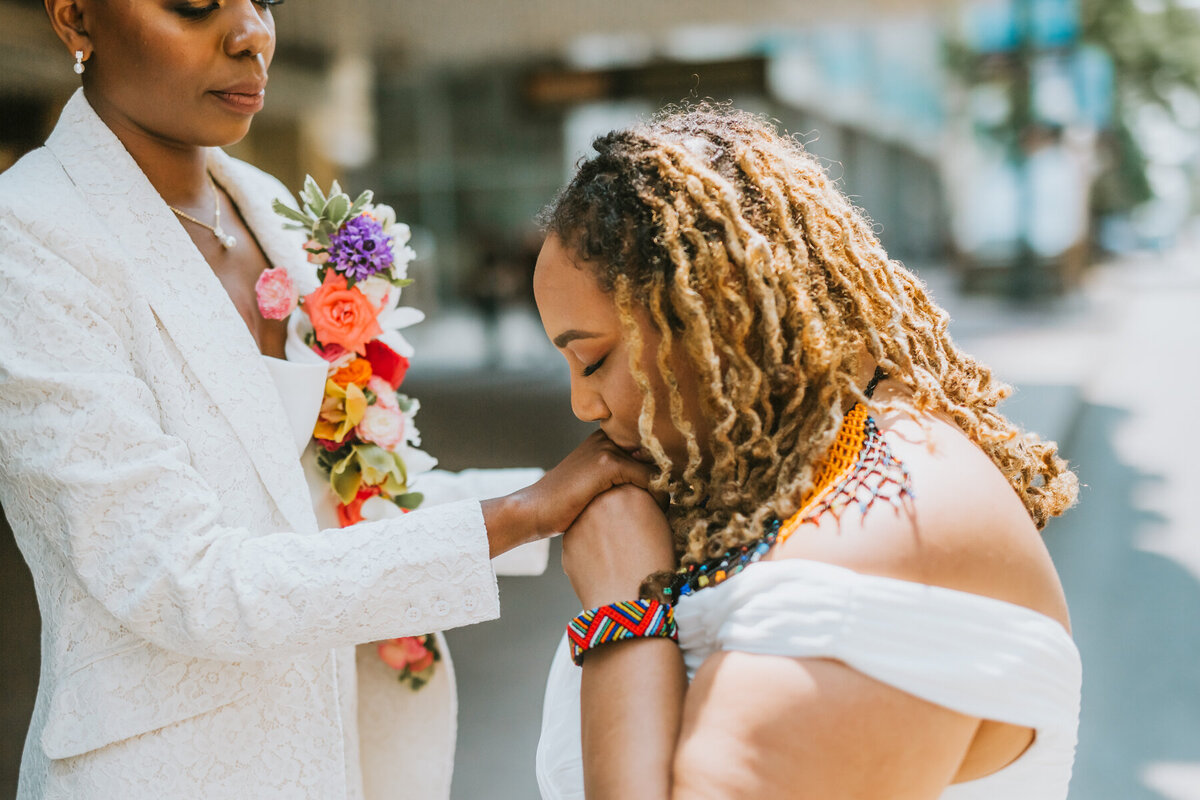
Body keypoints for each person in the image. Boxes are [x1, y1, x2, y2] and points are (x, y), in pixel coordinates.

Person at [0, 2, 653, 798]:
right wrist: (524, 513)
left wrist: (587, 492)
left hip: (342, 757)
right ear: (74, 19)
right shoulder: (29, 238)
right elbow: (186, 580)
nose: (251, 35)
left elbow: (338, 509)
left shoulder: (270, 207)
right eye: (196, 4)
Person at [533, 105, 1082, 799]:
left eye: (592, 360)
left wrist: (622, 606)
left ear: (720, 310)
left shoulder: (892, 534)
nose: (583, 406)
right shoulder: (791, 478)